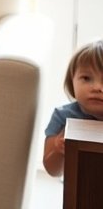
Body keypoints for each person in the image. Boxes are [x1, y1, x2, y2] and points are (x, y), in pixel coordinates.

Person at [42, 39, 103, 177]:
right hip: (78, 192)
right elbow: (52, 170)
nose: (97, 87)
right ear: (72, 80)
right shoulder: (63, 116)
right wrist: (58, 149)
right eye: (87, 78)